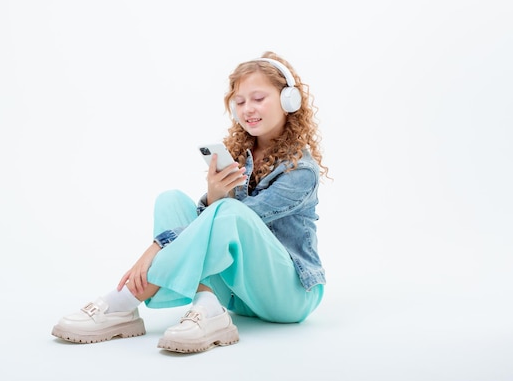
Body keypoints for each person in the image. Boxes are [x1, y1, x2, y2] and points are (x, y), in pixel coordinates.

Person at [51, 51, 329, 353]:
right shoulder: (239, 155)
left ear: (290, 101)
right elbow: (212, 224)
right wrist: (213, 196)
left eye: (258, 98)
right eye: (239, 102)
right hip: (240, 296)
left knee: (228, 211)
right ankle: (209, 306)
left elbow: (240, 217)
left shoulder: (301, 171)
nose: (248, 108)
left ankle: (124, 302)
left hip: (288, 296)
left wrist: (159, 244)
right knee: (171, 201)